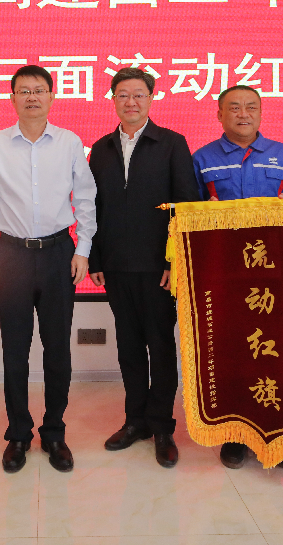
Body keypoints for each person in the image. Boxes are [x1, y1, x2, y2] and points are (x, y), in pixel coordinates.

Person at [0, 65, 97, 474]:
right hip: (11, 255)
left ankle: (55, 431)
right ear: (12, 98)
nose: (31, 97)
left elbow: (85, 200)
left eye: (39, 90)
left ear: (51, 96)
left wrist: (83, 250)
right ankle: (19, 434)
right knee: (15, 350)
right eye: (23, 91)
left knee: (58, 349)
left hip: (60, 252)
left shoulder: (69, 142)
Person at [191, 84, 283, 469]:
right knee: (232, 351)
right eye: (234, 108)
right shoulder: (203, 158)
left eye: (251, 107)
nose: (243, 114)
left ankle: (281, 432)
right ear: (219, 115)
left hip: (277, 274)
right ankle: (235, 433)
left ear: (260, 113)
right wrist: (203, 211)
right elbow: (186, 213)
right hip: (225, 274)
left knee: (280, 350)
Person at [87, 67, 199, 468]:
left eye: (138, 94)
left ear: (151, 99)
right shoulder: (100, 148)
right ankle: (135, 420)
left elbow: (186, 205)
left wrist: (175, 261)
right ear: (113, 100)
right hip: (116, 265)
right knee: (129, 346)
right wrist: (96, 258)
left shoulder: (171, 143)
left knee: (160, 345)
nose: (130, 102)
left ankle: (162, 426)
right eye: (122, 95)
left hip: (158, 267)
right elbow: (93, 208)